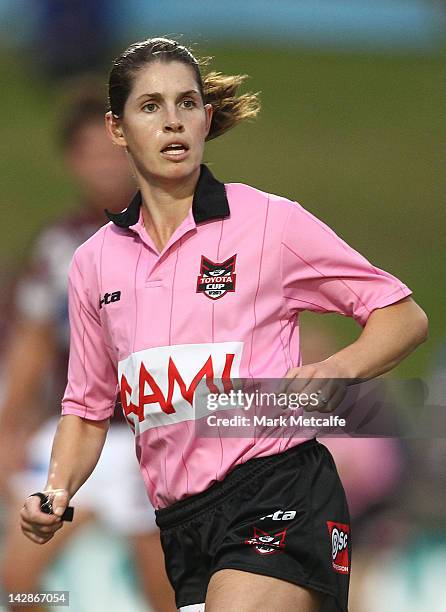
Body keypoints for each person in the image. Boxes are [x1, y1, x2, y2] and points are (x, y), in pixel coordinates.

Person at [19, 38, 428, 612]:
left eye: (187, 104)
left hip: (280, 487)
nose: (172, 123)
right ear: (117, 129)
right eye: (150, 107)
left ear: (207, 119)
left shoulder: (268, 222)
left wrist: (336, 368)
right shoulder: (93, 262)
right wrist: (56, 491)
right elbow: (86, 411)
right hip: (182, 522)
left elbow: (401, 315)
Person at [0, 80, 175, 612]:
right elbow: (33, 341)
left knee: (162, 589)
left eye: (109, 150)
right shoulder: (60, 244)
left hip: (154, 433)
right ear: (71, 160)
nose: (100, 163)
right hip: (76, 433)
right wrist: (9, 429)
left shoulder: (179, 233)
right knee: (19, 582)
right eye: (87, 152)